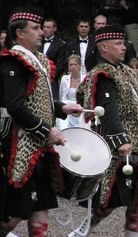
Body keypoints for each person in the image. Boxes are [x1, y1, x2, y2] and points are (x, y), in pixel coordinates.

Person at [68, 25, 138, 237]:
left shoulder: (123, 70)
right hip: (119, 148)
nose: (124, 48)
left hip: (137, 144)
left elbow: (133, 101)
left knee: (137, 198)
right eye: (118, 44)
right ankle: (78, 234)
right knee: (108, 202)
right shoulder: (103, 75)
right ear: (104, 47)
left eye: (123, 43)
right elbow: (108, 111)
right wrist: (120, 141)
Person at [0, 7, 83, 237]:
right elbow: (16, 107)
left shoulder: (38, 60)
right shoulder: (13, 61)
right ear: (20, 34)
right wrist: (47, 130)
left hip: (40, 146)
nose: (41, 32)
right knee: (12, 216)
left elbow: (38, 101)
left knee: (40, 208)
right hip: (19, 147)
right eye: (35, 28)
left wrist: (62, 107)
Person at [39, 18, 67, 100]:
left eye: (48, 27)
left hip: (51, 80)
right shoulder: (37, 42)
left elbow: (60, 64)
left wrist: (49, 76)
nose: (45, 29)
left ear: (54, 29)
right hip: (35, 78)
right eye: (44, 27)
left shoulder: (61, 45)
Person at [58, 54, 85, 129]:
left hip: (80, 110)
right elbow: (61, 96)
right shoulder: (64, 79)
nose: (73, 67)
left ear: (80, 66)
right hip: (67, 110)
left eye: (75, 64)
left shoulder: (86, 79)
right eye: (71, 65)